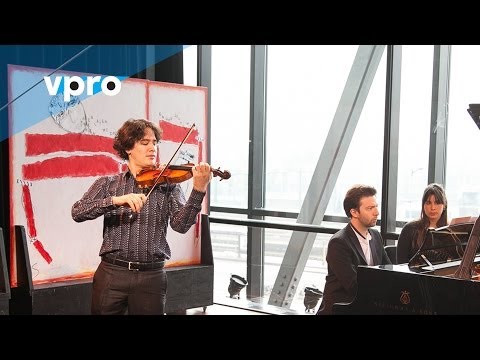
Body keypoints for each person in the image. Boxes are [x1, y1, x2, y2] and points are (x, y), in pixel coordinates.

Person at [71, 118, 212, 315]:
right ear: (128, 148)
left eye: (154, 143)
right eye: (144, 143)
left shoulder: (168, 184)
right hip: (112, 274)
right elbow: (77, 211)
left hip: (151, 278)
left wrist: (198, 189)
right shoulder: (108, 184)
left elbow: (180, 225)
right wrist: (116, 201)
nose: (152, 148)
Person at [316, 184, 391, 315]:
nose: (376, 212)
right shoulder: (339, 243)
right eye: (370, 208)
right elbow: (353, 286)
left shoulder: (376, 235)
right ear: (354, 212)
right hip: (342, 309)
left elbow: (388, 270)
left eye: (376, 206)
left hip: (367, 306)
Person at [396, 183, 448, 264]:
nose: (433, 208)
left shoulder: (452, 230)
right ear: (423, 205)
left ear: (444, 205)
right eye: (428, 203)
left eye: (437, 203)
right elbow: (401, 263)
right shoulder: (409, 229)